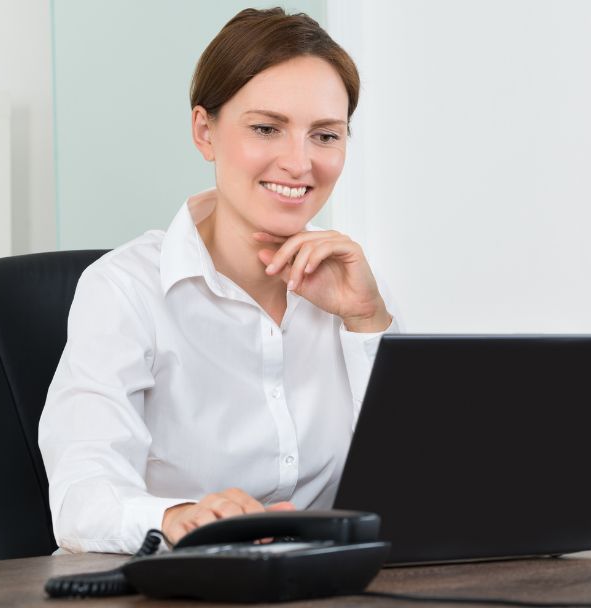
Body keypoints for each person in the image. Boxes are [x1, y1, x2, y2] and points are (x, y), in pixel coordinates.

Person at [38, 7, 399, 554]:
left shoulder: (353, 285)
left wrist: (368, 321)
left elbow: (420, 482)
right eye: (265, 128)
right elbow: (80, 498)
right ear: (204, 132)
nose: (299, 163)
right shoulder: (126, 289)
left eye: (325, 135)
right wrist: (182, 516)